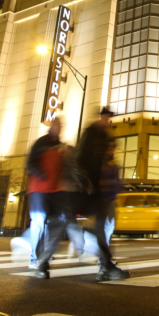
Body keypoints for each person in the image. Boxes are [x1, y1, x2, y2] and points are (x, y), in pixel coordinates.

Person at [74, 107, 129, 281]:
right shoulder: (91, 133)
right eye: (107, 117)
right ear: (102, 117)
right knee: (99, 229)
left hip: (100, 193)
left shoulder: (105, 136)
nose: (108, 121)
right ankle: (106, 267)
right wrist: (85, 183)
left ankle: (106, 267)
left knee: (101, 229)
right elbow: (80, 159)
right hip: (93, 189)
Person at [27, 119, 72, 278]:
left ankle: (43, 259)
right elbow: (30, 164)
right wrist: (42, 175)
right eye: (56, 125)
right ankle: (35, 258)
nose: (58, 128)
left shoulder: (62, 146)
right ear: (51, 126)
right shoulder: (40, 143)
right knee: (39, 223)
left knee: (55, 224)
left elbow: (66, 166)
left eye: (60, 126)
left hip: (56, 190)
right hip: (39, 189)